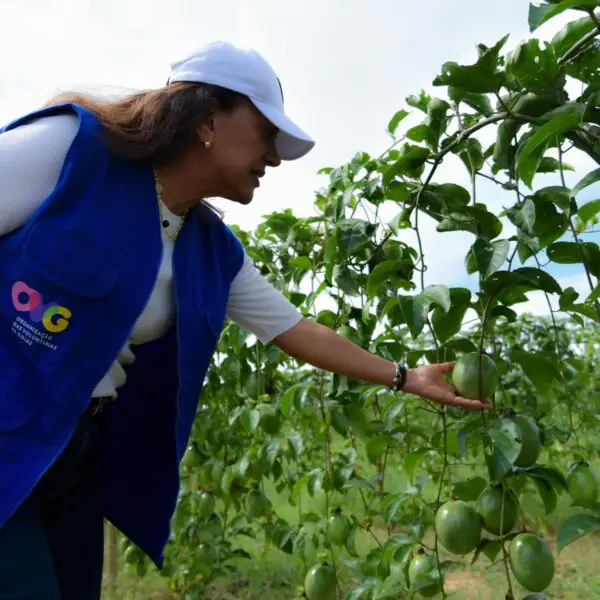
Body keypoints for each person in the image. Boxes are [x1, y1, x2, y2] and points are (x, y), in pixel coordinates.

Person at [0, 41, 488, 600]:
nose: (275, 158)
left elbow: (297, 330)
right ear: (208, 118)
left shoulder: (209, 249)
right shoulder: (70, 151)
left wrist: (407, 376)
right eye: (265, 134)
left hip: (76, 452)